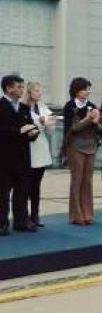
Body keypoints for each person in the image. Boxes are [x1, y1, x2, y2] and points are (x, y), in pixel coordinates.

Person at [0, 74, 40, 234]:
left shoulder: (24, 108)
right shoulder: (1, 106)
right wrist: (19, 131)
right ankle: (2, 223)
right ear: (9, 88)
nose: (22, 90)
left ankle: (21, 221)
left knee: (22, 191)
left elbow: (30, 126)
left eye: (23, 87)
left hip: (23, 156)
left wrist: (33, 132)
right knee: (3, 193)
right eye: (19, 87)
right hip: (4, 157)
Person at [62, 77, 102, 225]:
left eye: (88, 89)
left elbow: (101, 129)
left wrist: (96, 122)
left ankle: (88, 213)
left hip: (90, 145)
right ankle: (76, 214)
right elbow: (72, 128)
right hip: (75, 146)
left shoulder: (92, 106)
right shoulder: (70, 106)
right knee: (77, 179)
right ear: (76, 90)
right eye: (85, 89)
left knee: (88, 180)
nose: (87, 92)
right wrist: (87, 119)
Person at [23, 81, 56, 227]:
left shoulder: (42, 107)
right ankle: (23, 216)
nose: (39, 93)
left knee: (37, 185)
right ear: (29, 93)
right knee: (25, 185)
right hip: (29, 148)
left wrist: (47, 122)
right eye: (36, 91)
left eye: (39, 91)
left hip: (41, 147)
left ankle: (35, 215)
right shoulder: (23, 108)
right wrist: (40, 122)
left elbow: (51, 128)